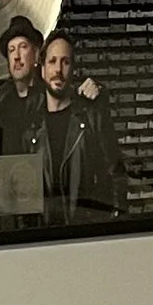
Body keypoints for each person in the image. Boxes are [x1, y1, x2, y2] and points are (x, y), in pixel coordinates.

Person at [40, 30, 125, 219]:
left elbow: (116, 173)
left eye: (65, 62)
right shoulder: (33, 124)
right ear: (42, 69)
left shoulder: (91, 117)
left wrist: (116, 225)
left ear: (73, 69)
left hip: (84, 234)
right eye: (52, 61)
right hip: (42, 238)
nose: (58, 70)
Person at [0, 17, 48, 162]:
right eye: (11, 50)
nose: (16, 56)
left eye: (23, 47)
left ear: (35, 54)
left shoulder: (50, 98)